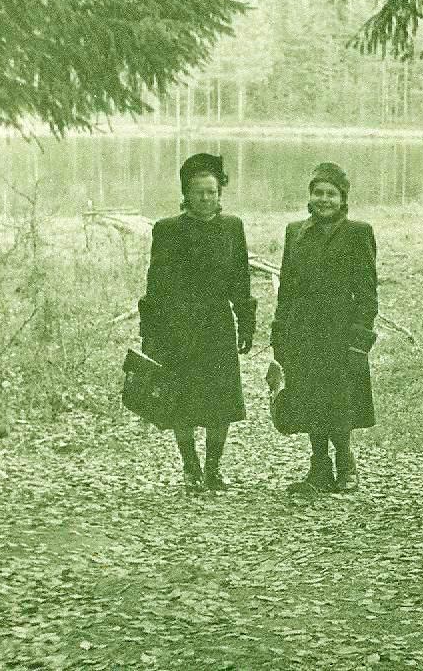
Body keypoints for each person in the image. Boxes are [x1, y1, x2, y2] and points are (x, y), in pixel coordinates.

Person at [139, 153, 255, 492]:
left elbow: (240, 279)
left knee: (221, 399)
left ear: (220, 194)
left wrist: (246, 322)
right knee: (182, 399)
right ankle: (190, 467)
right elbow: (156, 284)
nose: (206, 198)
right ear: (186, 194)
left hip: (217, 324)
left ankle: (213, 468)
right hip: (178, 325)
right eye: (198, 192)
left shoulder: (232, 227)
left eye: (212, 192)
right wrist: (151, 333)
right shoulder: (167, 230)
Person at [271, 162, 378, 493]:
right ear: (309, 197)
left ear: (343, 199)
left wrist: (359, 340)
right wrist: (279, 330)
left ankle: (346, 464)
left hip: (340, 330)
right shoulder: (295, 232)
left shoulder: (358, 233)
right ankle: (318, 468)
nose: (324, 199)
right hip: (302, 330)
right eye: (318, 193)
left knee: (339, 398)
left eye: (331, 194)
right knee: (307, 395)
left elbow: (367, 293)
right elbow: (287, 287)